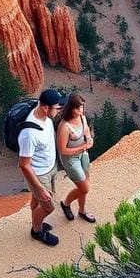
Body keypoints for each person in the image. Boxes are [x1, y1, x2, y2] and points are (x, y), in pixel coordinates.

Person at [18, 88, 65, 246]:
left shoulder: (45, 116)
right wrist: (39, 188)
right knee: (48, 207)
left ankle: (35, 220)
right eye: (57, 107)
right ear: (46, 107)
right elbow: (24, 165)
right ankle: (36, 231)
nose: (59, 110)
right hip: (39, 174)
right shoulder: (30, 133)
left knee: (38, 202)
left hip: (49, 168)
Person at [57, 92, 96, 223]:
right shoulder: (64, 126)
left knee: (85, 184)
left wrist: (89, 140)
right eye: (78, 108)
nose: (81, 110)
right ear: (71, 108)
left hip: (82, 154)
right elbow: (62, 150)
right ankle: (66, 203)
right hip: (70, 159)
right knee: (84, 188)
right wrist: (84, 147)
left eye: (82, 107)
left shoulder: (82, 118)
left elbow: (86, 132)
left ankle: (82, 210)